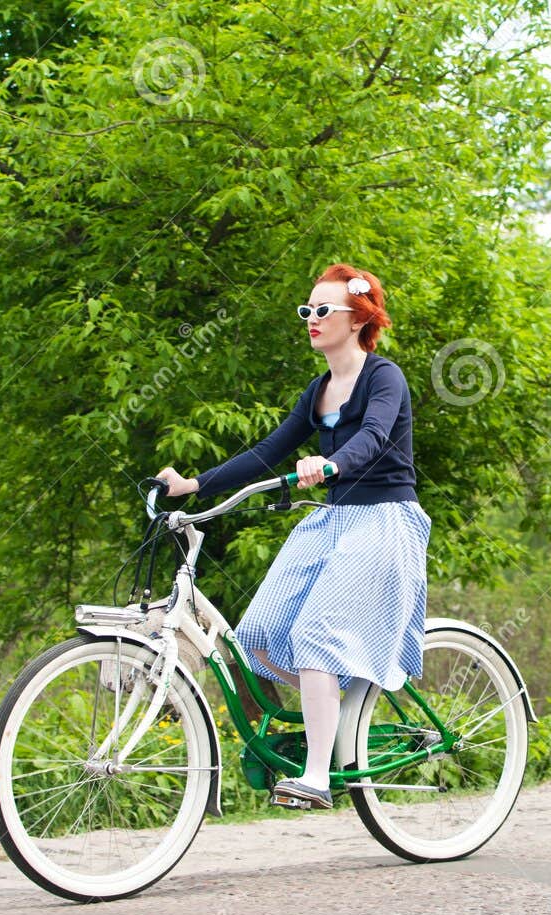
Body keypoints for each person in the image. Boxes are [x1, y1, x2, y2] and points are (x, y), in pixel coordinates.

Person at [154, 264, 431, 809]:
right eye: (307, 311)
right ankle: (337, 709)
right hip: (335, 521)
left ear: (358, 319)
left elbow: (375, 437)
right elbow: (265, 453)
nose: (312, 319)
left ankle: (318, 777)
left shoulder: (384, 377)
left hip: (385, 519)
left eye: (323, 310)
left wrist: (331, 465)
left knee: (318, 635)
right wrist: (194, 485)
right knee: (257, 634)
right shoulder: (319, 390)